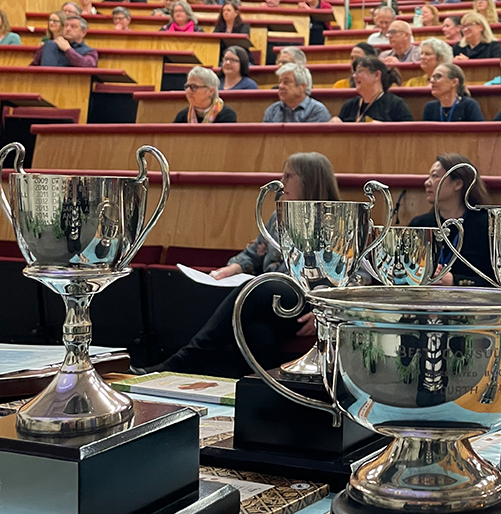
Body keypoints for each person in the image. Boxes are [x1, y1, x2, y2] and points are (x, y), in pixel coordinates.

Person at [140, 154, 342, 377]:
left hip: (310, 303)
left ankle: (188, 359)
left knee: (257, 286)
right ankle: (252, 392)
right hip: (271, 303)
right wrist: (233, 269)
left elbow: (355, 276)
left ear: (309, 180)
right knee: (255, 332)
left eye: (289, 176)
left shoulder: (337, 221)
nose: (281, 182)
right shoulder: (280, 216)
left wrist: (325, 310)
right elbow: (255, 254)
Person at [409, 155, 495, 287]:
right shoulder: (419, 224)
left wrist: (455, 281)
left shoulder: (487, 226)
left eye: (435, 176)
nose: (427, 182)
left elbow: (498, 282)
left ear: (458, 184)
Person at [332, 56, 412, 123]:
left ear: (377, 75)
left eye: (359, 71)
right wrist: (335, 122)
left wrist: (386, 129)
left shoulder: (396, 105)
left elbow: (409, 135)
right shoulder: (349, 105)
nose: (354, 76)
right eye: (354, 72)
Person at [263, 63, 330, 123]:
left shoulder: (317, 111)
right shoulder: (272, 111)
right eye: (280, 82)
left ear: (302, 87)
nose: (280, 86)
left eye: (286, 82)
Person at [30, 15, 97, 67]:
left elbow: (89, 66)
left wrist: (68, 50)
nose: (68, 29)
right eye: (66, 26)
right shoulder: (48, 45)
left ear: (83, 32)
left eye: (73, 26)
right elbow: (33, 67)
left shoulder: (89, 52)